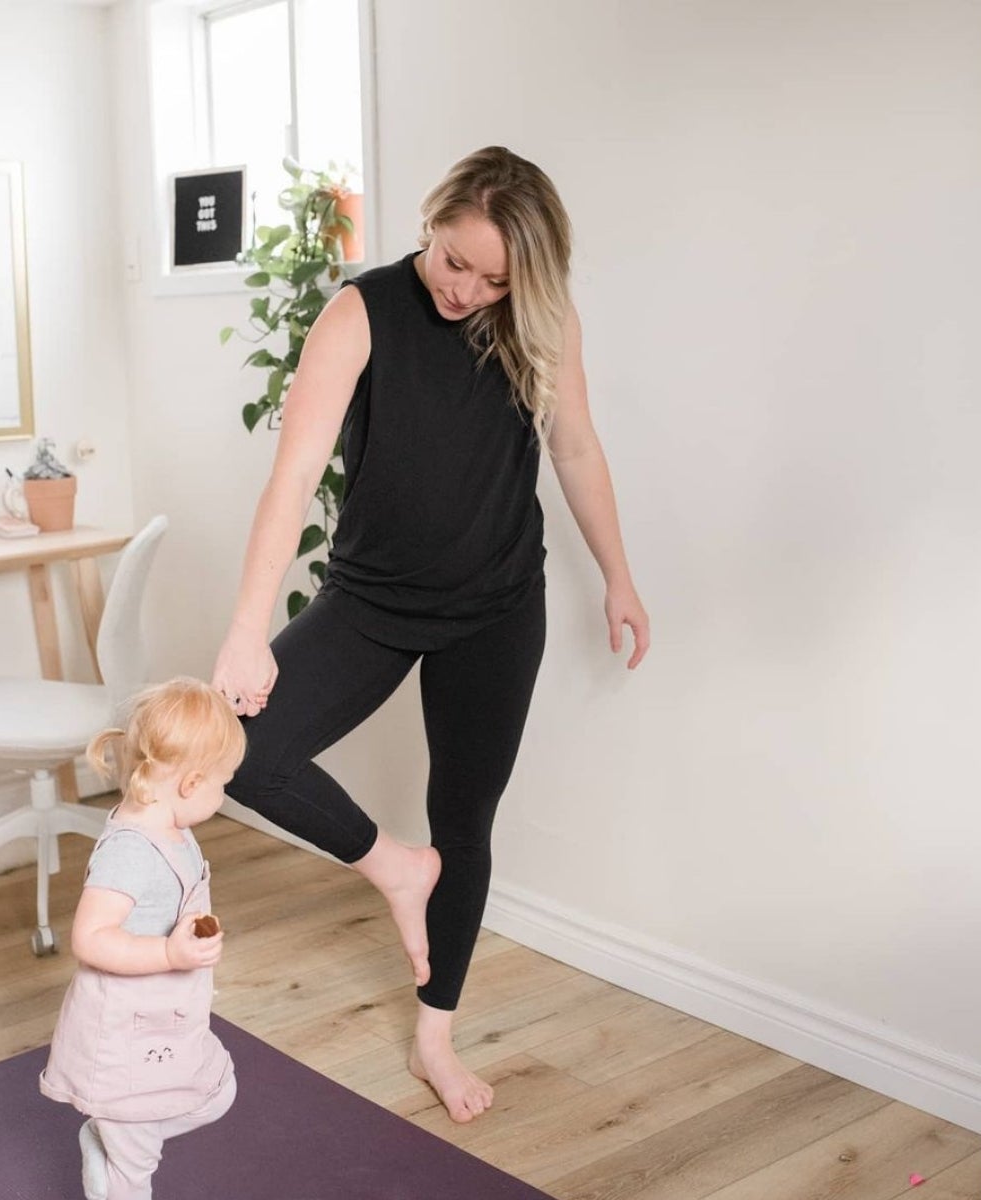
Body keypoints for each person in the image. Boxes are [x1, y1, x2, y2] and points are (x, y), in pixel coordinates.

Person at [210, 146, 650, 1123]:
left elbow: (574, 444)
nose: (469, 291)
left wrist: (618, 574)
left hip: (498, 608)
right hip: (370, 600)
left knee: (467, 820)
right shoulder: (359, 315)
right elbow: (291, 478)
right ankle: (392, 868)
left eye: (495, 278)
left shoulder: (538, 317)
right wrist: (248, 629)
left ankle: (435, 1036)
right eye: (458, 263)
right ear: (432, 223)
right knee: (241, 749)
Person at [40, 678, 243, 1200]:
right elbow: (90, 938)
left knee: (217, 1091)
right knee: (136, 1172)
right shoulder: (130, 851)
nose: (225, 793)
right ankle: (116, 1156)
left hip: (168, 1014)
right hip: (127, 1031)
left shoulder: (172, 824)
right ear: (192, 783)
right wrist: (169, 952)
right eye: (225, 782)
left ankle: (117, 1132)